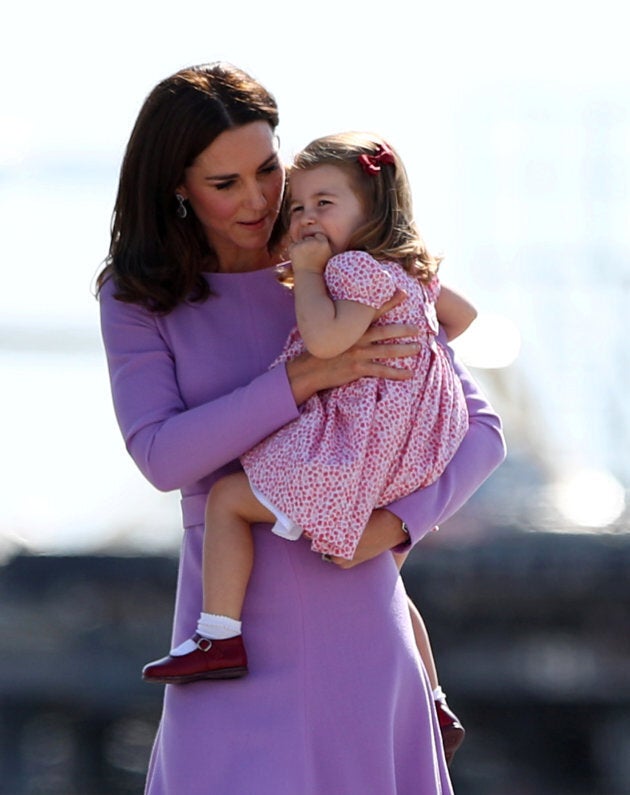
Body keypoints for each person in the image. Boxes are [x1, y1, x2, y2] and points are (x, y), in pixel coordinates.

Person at [97, 62, 506, 795]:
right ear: (177, 189)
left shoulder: (350, 270)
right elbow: (162, 455)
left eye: (267, 170)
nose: (258, 200)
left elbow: (479, 427)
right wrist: (300, 379)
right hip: (224, 643)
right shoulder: (137, 297)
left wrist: (401, 523)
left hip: (361, 620)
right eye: (226, 185)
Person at [142, 132, 476, 706]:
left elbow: (323, 342)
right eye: (296, 207)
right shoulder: (410, 273)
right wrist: (419, 348)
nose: (305, 219)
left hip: (353, 455)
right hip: (409, 452)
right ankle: (434, 699)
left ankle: (217, 635)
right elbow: (464, 317)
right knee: (385, 585)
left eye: (325, 203)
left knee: (227, 500)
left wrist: (311, 272)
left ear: (372, 209)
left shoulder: (352, 272)